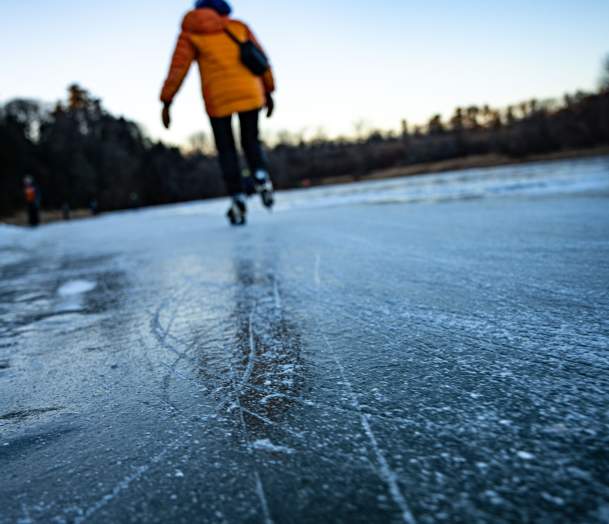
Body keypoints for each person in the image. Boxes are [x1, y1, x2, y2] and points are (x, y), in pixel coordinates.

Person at [160, 0, 276, 226]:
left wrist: (167, 101)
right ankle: (260, 175)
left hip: (217, 99)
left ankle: (237, 195)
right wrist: (269, 90)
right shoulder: (238, 26)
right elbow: (262, 59)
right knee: (251, 140)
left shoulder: (191, 33)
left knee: (226, 149)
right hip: (250, 92)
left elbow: (178, 69)